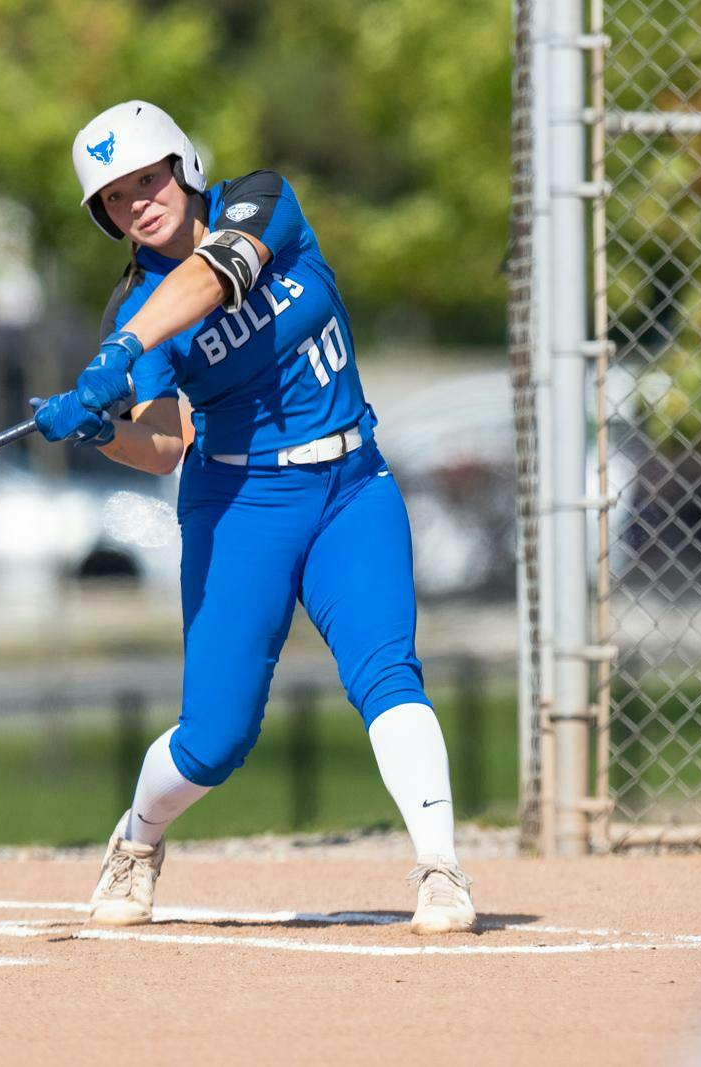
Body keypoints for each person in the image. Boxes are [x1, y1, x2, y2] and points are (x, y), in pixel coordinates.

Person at [34, 101, 477, 933]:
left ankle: (440, 868)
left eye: (149, 179)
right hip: (240, 506)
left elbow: (215, 275)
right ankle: (137, 839)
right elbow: (164, 444)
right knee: (216, 738)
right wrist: (101, 431)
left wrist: (125, 349)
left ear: (184, 168)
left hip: (353, 484)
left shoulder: (262, 201)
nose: (138, 203)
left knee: (387, 672)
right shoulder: (135, 309)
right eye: (116, 198)